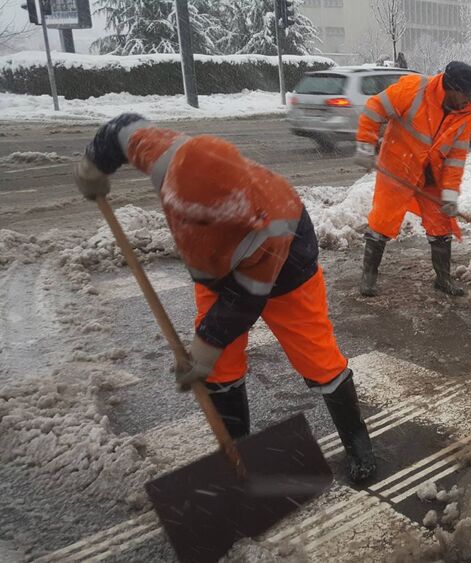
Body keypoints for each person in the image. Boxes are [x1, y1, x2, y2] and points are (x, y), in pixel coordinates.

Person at [73, 113, 376, 483]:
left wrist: (205, 344)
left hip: (286, 275)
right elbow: (122, 130)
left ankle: (358, 442)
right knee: (220, 368)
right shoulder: (172, 158)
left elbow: (245, 301)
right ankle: (237, 454)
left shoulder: (271, 223)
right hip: (215, 271)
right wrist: (93, 164)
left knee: (317, 358)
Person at [353, 60, 471, 297]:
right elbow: (374, 107)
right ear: (452, 89)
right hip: (398, 168)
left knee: (441, 225)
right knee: (382, 222)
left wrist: (450, 194)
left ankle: (443, 280)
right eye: (467, 95)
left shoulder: (466, 115)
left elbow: (456, 158)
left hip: (431, 175)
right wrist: (365, 144)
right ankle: (368, 279)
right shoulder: (414, 90)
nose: (470, 100)